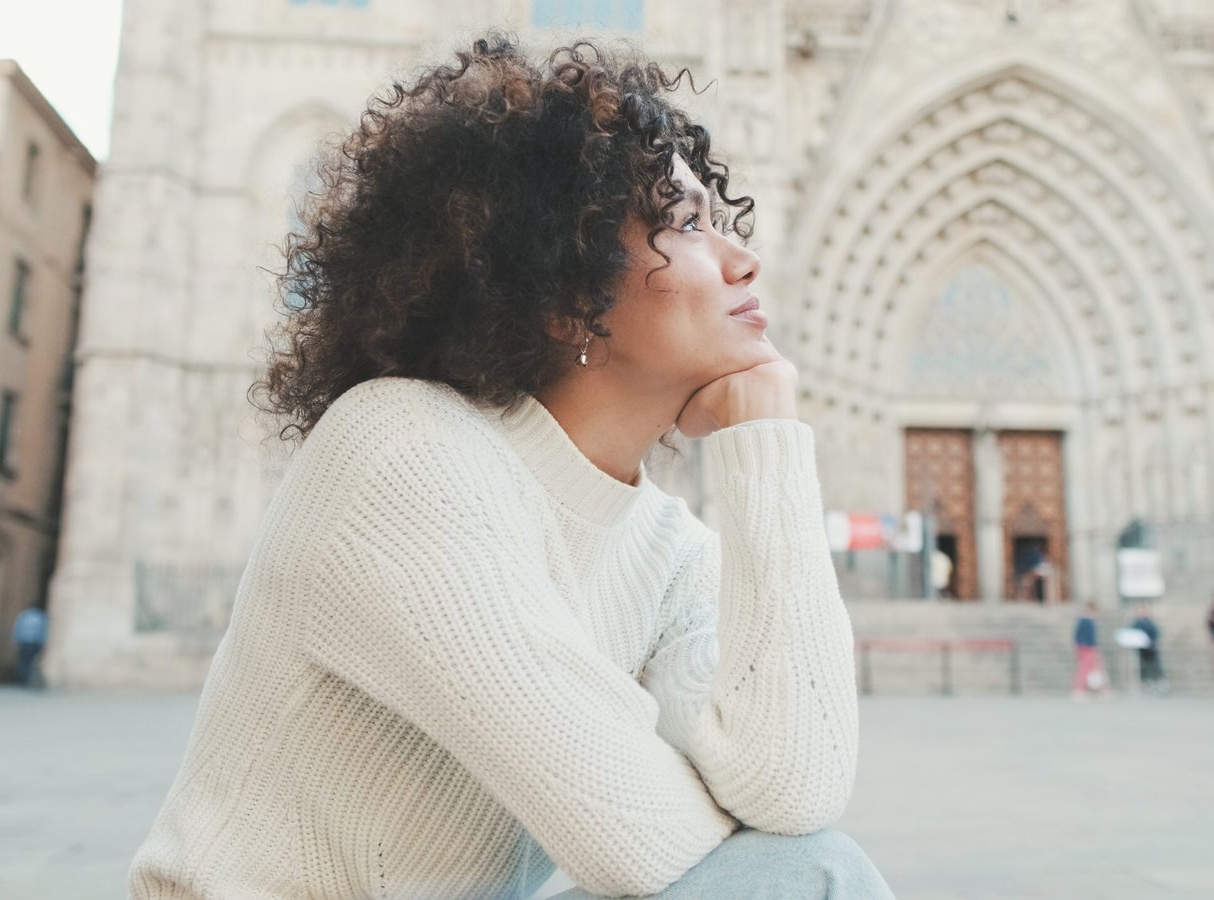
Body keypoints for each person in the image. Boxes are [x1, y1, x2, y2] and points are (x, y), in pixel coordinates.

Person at [128, 38, 891, 899]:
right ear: (567, 291)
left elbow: (794, 789)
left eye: (724, 224)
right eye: (683, 223)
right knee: (811, 877)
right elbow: (641, 841)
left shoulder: (666, 547)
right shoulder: (401, 451)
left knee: (805, 861)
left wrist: (767, 439)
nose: (744, 260)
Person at [1072, 602, 1106, 699]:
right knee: (1085, 669)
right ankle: (1079, 690)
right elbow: (1085, 637)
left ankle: (1100, 690)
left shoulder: (1085, 621)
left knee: (1096, 667)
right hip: (1087, 648)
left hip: (1086, 647)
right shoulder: (1086, 621)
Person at [1130, 603, 1165, 693]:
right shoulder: (1136, 623)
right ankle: (1146, 683)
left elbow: (1155, 634)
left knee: (1154, 666)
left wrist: (1151, 642)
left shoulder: (1150, 623)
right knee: (1143, 667)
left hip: (1151, 648)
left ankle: (1157, 682)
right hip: (1141, 649)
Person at [11, 604, 47, 687]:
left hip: (24, 642)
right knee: (30, 661)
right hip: (35, 642)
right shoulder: (41, 617)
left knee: (23, 661)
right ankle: (27, 679)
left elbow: (18, 628)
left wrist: (16, 639)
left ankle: (22, 679)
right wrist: (43, 643)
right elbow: (44, 631)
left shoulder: (24, 615)